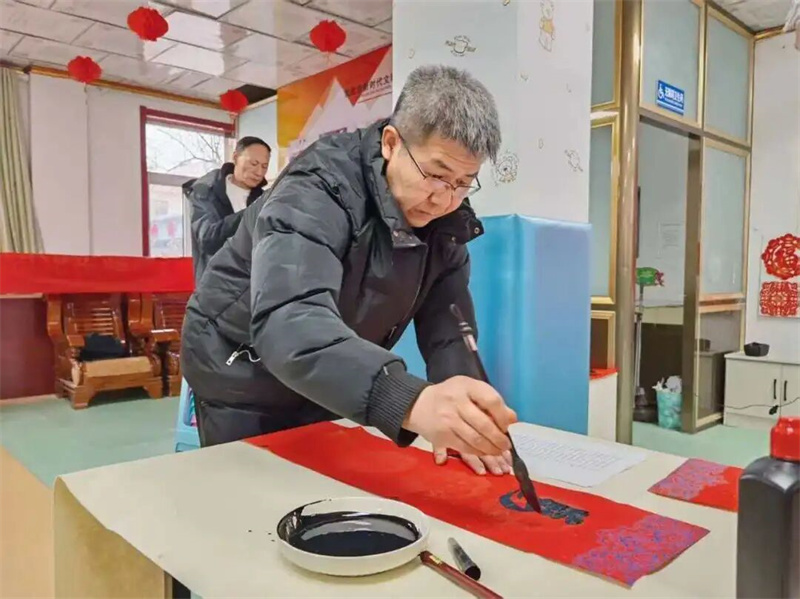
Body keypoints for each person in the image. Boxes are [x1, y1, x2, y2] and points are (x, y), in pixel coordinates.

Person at [181, 65, 517, 476]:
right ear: (391, 143)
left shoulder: (444, 222)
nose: (444, 199)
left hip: (323, 365)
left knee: (325, 482)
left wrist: (466, 412)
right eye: (436, 175)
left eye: (464, 182)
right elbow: (290, 320)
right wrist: (411, 401)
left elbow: (449, 327)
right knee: (256, 493)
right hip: (238, 365)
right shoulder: (316, 187)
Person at [184, 136, 271, 282]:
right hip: (216, 285)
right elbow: (208, 239)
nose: (259, 172)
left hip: (253, 285)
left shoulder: (265, 200)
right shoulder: (204, 193)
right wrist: (251, 213)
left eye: (264, 166)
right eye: (253, 163)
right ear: (235, 157)